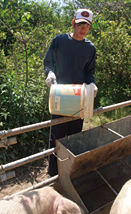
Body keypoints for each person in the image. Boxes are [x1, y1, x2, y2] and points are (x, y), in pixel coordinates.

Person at [44, 9, 98, 177]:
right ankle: (53, 174)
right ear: (74, 22)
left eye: (87, 26)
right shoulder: (59, 41)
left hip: (78, 97)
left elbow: (89, 72)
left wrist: (91, 84)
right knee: (57, 137)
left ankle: (70, 171)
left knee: (74, 136)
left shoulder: (90, 48)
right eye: (81, 24)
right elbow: (48, 62)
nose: (83, 29)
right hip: (59, 95)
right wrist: (50, 73)